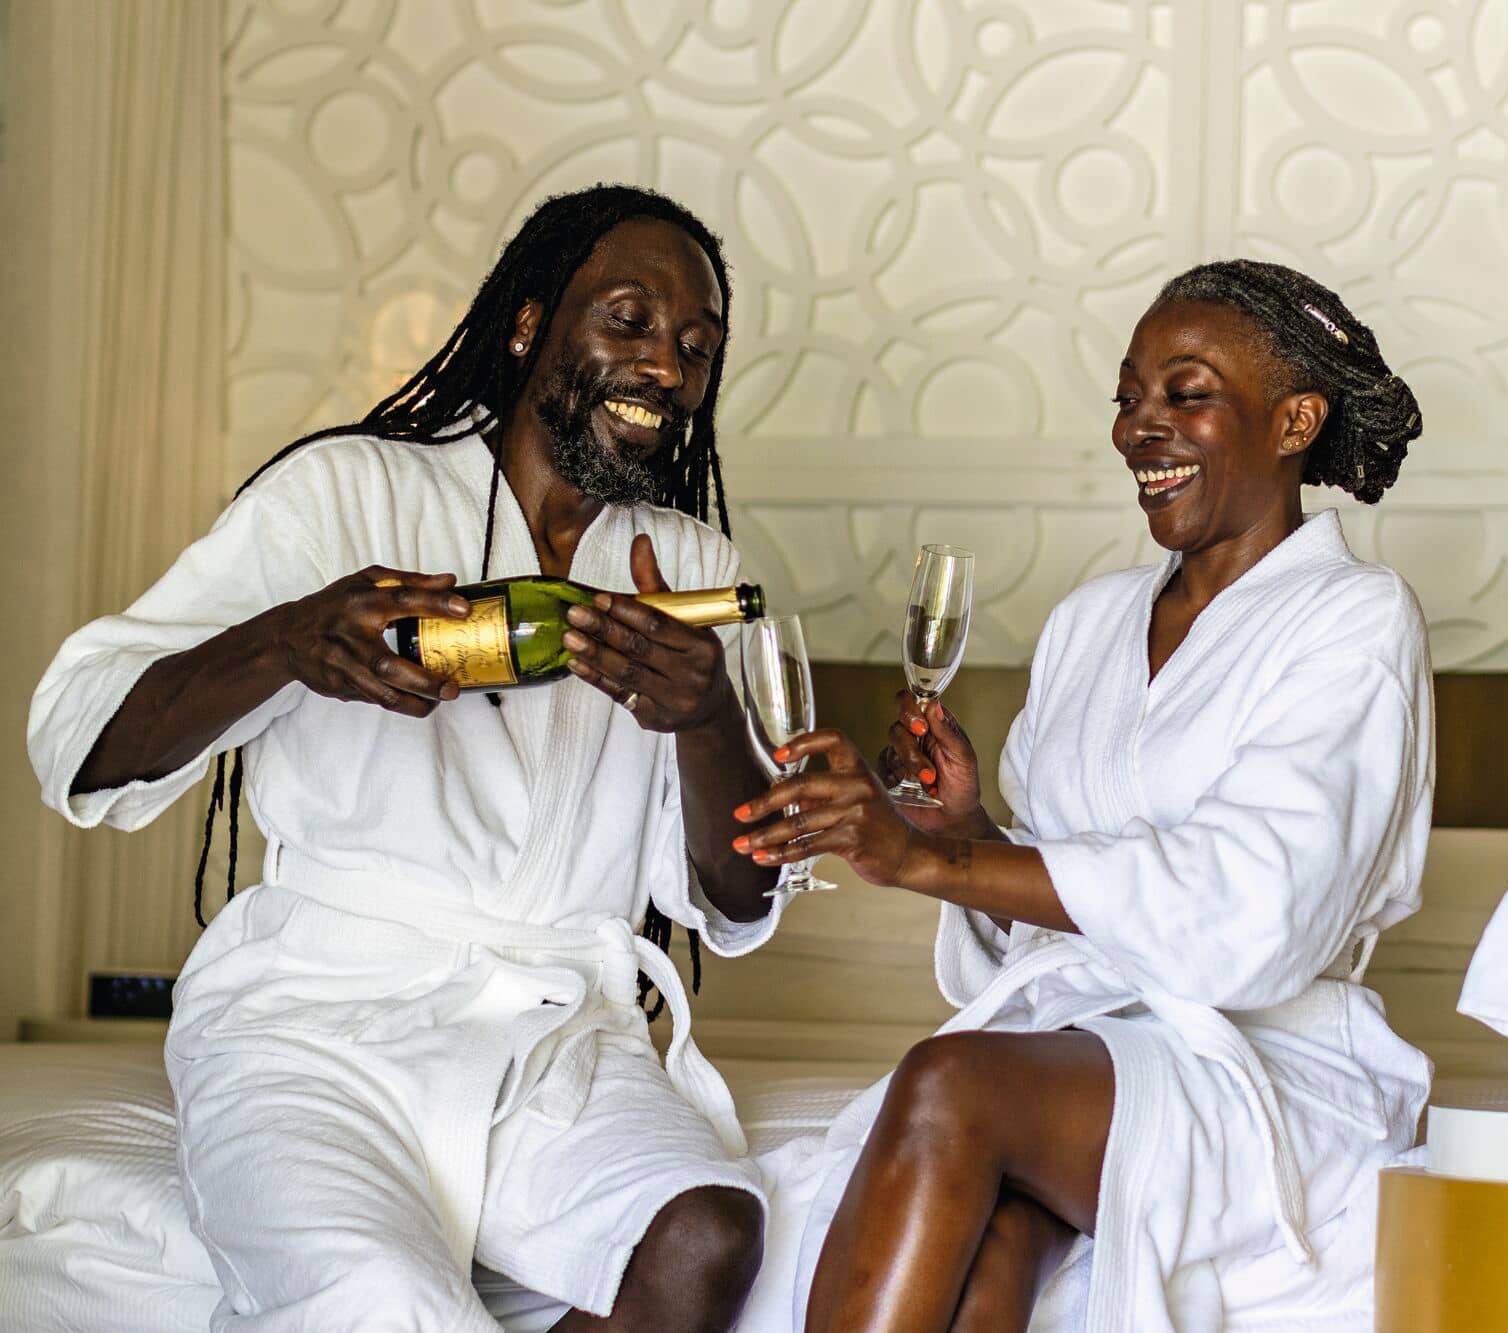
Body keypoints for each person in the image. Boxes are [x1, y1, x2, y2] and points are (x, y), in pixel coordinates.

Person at [27, 184, 783, 1332]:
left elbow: (739, 894)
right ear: (530, 326)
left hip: (556, 1034)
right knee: (384, 1299)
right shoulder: (345, 493)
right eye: (626, 322)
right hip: (318, 1025)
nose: (666, 369)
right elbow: (76, 734)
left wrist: (705, 715)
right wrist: (284, 641)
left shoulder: (688, 565)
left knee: (707, 1234)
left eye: (694, 346)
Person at [732, 259, 1434, 1330]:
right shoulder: (1090, 621)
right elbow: (1050, 926)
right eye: (1126, 397)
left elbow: (1258, 913)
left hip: (1265, 1062)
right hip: (1078, 1044)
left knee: (949, 1085)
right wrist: (965, 831)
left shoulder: (1353, 618)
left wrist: (927, 859)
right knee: (993, 1246)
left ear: (1294, 419)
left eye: (1183, 394)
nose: (1134, 429)